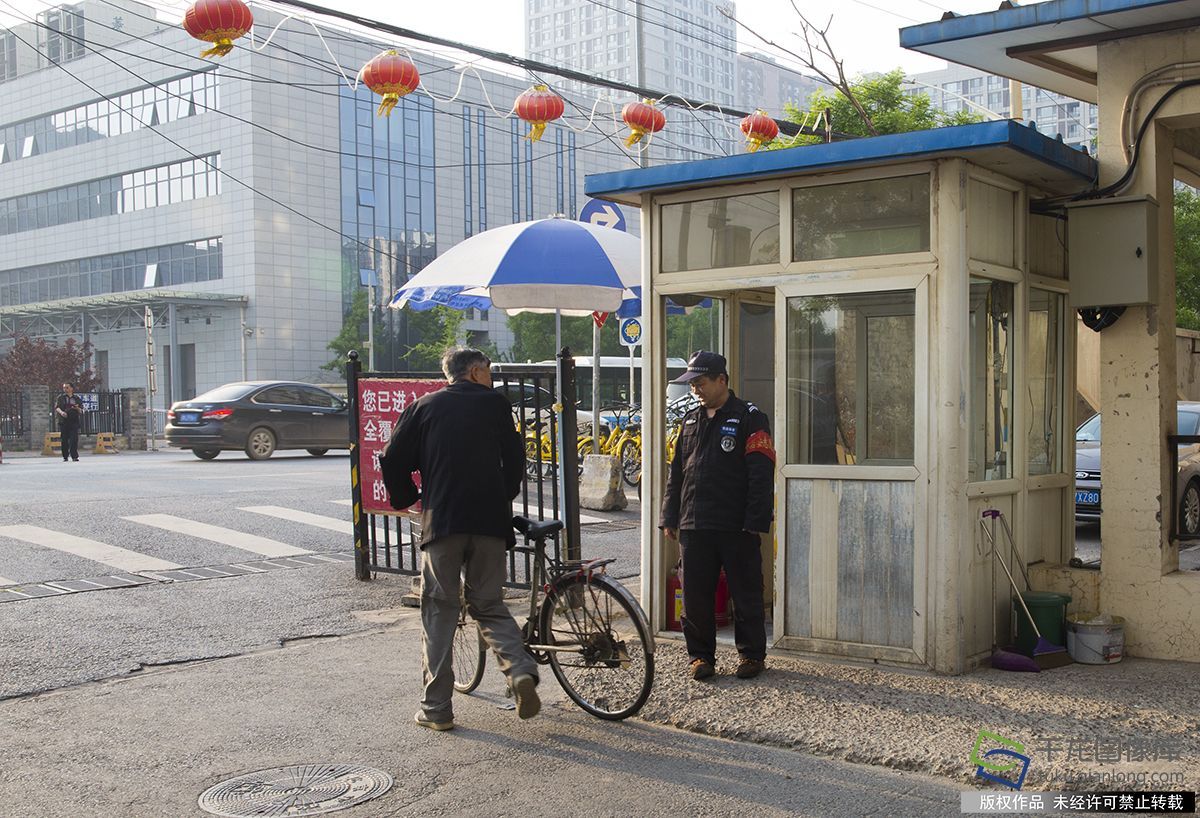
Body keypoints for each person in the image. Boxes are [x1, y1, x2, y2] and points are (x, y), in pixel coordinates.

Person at [380, 347, 540, 731]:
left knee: (439, 612)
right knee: (489, 604)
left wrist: (411, 498)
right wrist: (500, 495)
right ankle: (519, 670)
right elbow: (515, 460)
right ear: (474, 371)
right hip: (489, 522)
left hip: (444, 522)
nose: (490, 377)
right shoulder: (495, 405)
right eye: (487, 371)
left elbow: (393, 457)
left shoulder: (424, 406)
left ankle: (436, 709)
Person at [661, 350, 775, 681]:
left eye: (700, 382)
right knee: (695, 596)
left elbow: (760, 472)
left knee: (746, 592)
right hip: (695, 524)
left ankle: (751, 655)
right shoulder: (691, 420)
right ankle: (700, 657)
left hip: (736, 524)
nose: (695, 389)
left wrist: (755, 521)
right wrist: (670, 516)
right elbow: (677, 473)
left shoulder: (750, 417)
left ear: (721, 380)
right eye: (691, 384)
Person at [54, 382, 84, 462]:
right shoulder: (61, 398)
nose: (65, 389)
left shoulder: (76, 398)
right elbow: (57, 407)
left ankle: (74, 456)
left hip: (74, 421)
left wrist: (77, 408)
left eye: (67, 387)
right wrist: (62, 413)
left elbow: (81, 410)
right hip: (64, 421)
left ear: (71, 388)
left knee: (74, 439)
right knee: (64, 439)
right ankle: (65, 456)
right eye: (64, 388)